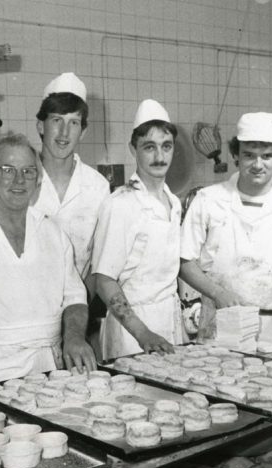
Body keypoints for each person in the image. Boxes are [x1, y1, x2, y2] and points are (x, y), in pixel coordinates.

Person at [0, 133, 97, 386]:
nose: (19, 180)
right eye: (8, 170)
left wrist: (74, 337)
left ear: (37, 180)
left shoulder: (52, 232)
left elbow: (74, 297)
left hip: (51, 368)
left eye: (28, 171)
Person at [179, 112, 272, 349]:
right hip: (218, 327)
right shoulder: (208, 199)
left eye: (267, 156)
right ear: (236, 155)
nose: (258, 165)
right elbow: (184, 261)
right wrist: (217, 293)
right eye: (249, 156)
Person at [91, 99, 187, 360]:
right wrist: (143, 334)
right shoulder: (120, 204)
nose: (159, 157)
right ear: (133, 149)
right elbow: (104, 280)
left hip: (169, 321)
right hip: (132, 332)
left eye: (166, 147)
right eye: (149, 147)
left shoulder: (173, 202)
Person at [31, 72, 110, 289]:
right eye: (57, 120)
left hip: (78, 305)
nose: (64, 133)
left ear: (83, 132)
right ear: (40, 126)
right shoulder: (22, 182)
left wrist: (81, 307)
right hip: (25, 302)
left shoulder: (98, 187)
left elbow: (100, 261)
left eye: (74, 123)